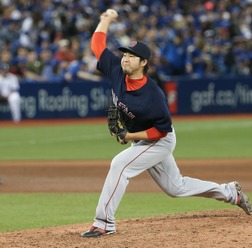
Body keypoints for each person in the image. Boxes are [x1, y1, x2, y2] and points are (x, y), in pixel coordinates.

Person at [81, 9, 252, 238]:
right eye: (124, 54)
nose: (125, 58)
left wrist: (128, 137)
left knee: (120, 165)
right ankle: (230, 192)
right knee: (176, 187)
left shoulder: (153, 95)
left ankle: (103, 223)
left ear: (143, 62)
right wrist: (105, 20)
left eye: (131, 56)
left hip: (159, 140)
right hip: (143, 139)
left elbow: (160, 131)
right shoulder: (116, 70)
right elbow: (98, 46)